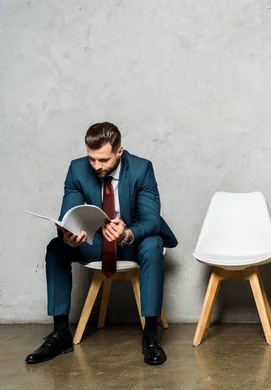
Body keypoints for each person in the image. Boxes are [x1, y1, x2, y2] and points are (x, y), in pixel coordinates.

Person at [25, 122, 177, 366]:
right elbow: (68, 215)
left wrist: (126, 233)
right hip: (95, 242)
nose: (96, 166)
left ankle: (150, 334)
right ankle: (61, 333)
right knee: (56, 247)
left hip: (130, 242)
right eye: (92, 159)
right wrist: (68, 234)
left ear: (119, 151)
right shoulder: (77, 169)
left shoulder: (141, 168)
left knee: (152, 244)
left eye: (103, 160)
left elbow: (151, 219)